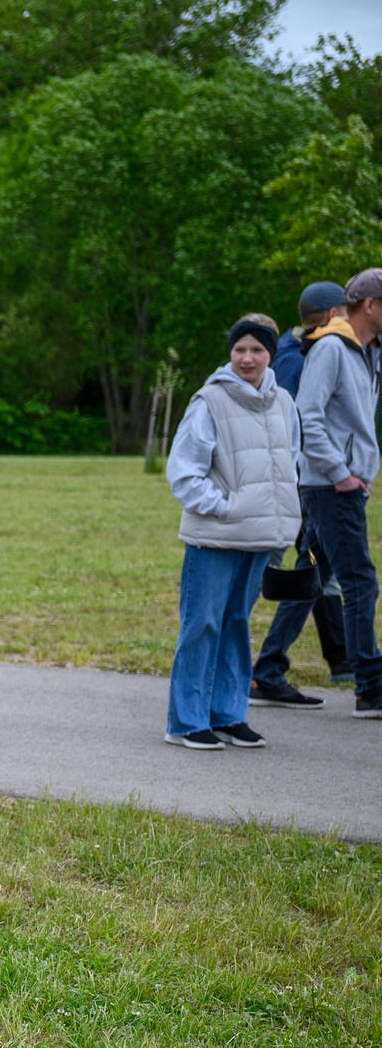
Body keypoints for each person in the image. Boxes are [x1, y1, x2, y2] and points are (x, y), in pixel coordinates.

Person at [164, 316, 302, 749]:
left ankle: (227, 713)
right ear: (230, 352)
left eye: (257, 350)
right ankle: (186, 721)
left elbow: (289, 464)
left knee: (237, 623)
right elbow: (182, 473)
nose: (247, 358)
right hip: (216, 535)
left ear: (270, 354)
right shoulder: (209, 401)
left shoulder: (283, 402)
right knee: (202, 623)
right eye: (239, 349)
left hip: (259, 536)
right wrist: (226, 507)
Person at [266, 268, 382, 720]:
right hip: (330, 486)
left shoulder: (364, 352)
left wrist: (360, 471)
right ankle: (371, 687)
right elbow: (307, 416)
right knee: (360, 580)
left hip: (341, 484)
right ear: (369, 305)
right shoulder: (332, 349)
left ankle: (268, 669)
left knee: (311, 579)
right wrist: (341, 473)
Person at [252, 280, 354, 706]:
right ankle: (265, 670)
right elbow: (297, 424)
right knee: (287, 572)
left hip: (303, 482)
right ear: (333, 314)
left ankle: (339, 661)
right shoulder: (303, 358)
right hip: (301, 484)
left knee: (316, 571)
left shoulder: (306, 351)